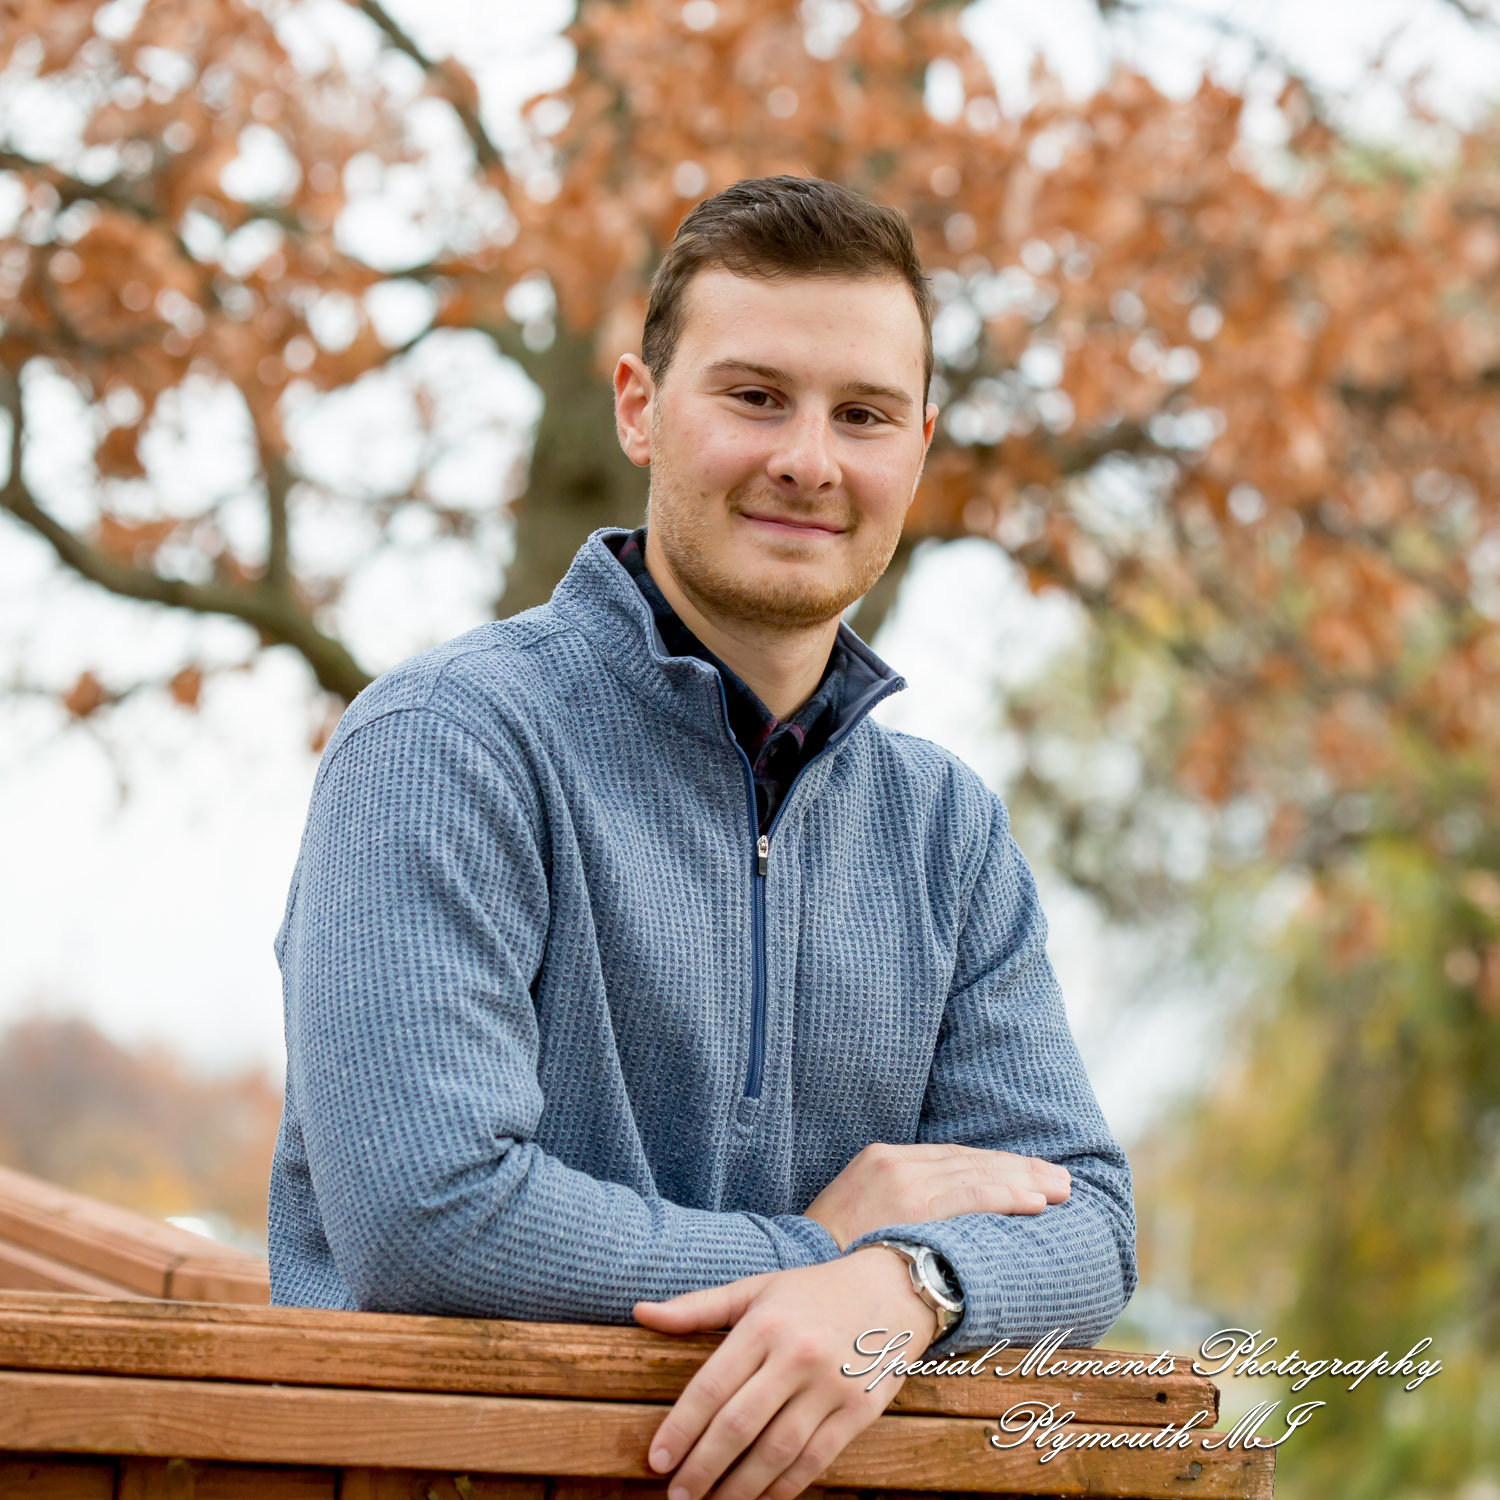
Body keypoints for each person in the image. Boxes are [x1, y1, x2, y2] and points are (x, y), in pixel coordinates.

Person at [269, 174, 1136, 1500]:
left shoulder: (945, 830)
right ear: (639, 407)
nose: (809, 460)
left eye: (863, 415)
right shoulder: (444, 746)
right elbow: (426, 1217)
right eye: (755, 397)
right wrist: (815, 1254)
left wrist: (911, 1280)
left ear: (919, 447)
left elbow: (1085, 1222)